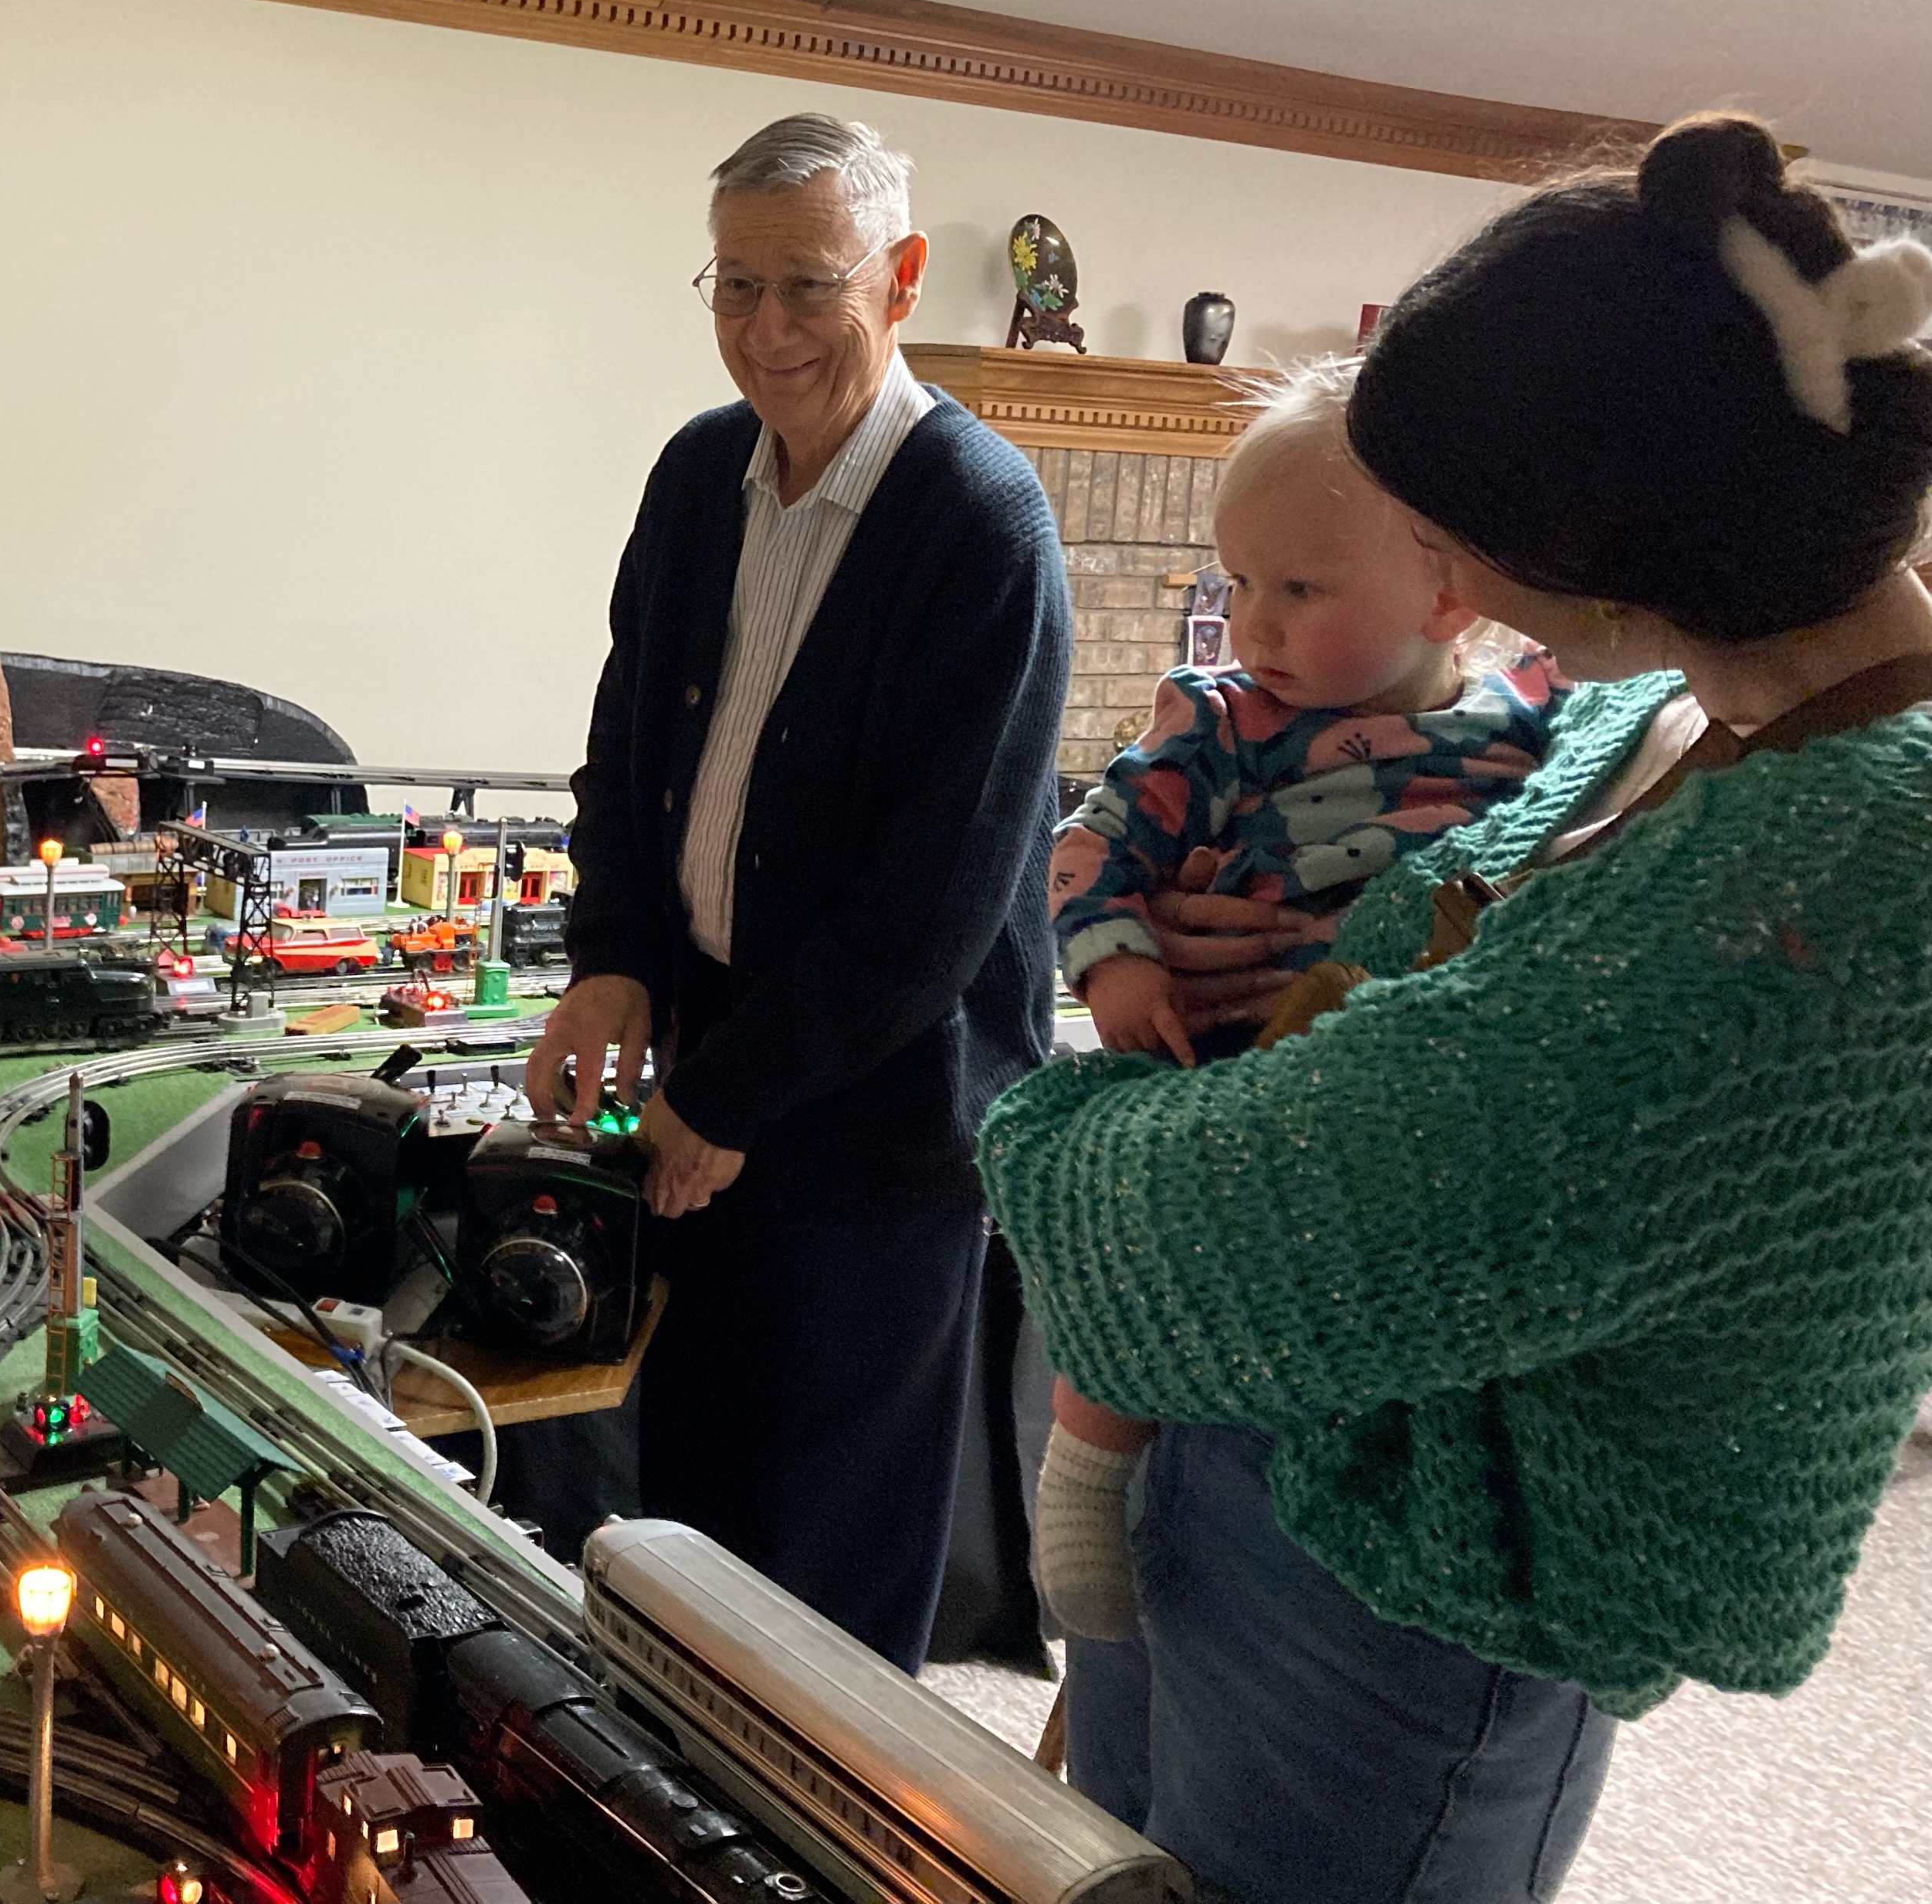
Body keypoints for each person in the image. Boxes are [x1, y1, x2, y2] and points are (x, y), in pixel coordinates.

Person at [978, 113, 1932, 1903]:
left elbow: (1237, 1223)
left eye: (1447, 536)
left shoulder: (1840, 868)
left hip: (1406, 1592)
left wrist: (1068, 1119)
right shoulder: (1647, 707)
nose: (1451, 589)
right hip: (1248, 1453)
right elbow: (1387, 1002)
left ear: (1604, 537)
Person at [527, 111, 1070, 1666]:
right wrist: (613, 960)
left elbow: (934, 904)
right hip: (713, 1064)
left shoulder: (980, 518)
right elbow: (631, 747)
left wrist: (728, 1095)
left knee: (833, 1565)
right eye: (737, 285)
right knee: (691, 1517)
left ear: (901, 278)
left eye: (810, 286)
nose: (766, 330)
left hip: (880, 1119)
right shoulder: (700, 474)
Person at [1032, 364, 1557, 1641]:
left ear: (1451, 596)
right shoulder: (1221, 725)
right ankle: (1084, 1466)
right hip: (1222, 1059)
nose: (1254, 625)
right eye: (1239, 585)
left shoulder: (1528, 738)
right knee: (1151, 1244)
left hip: (1393, 1099)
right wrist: (1120, 964)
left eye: (1301, 590)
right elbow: (1090, 846)